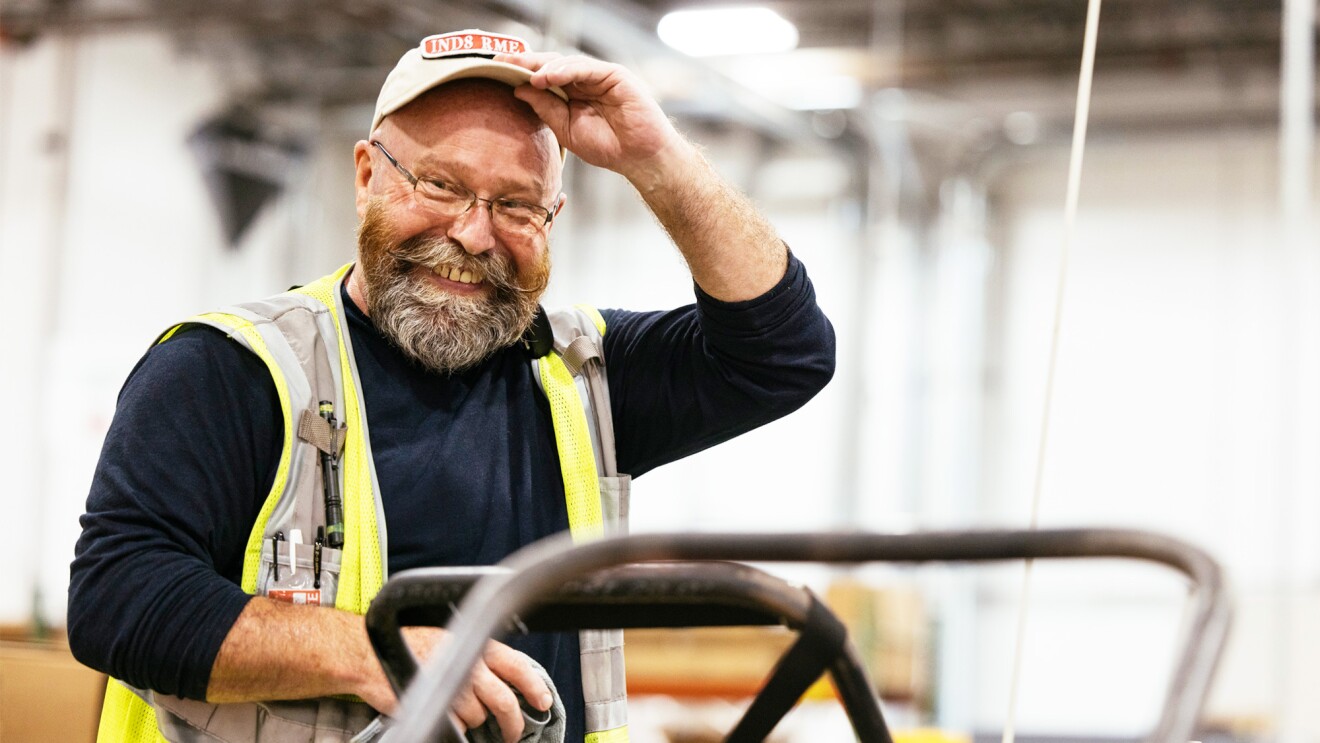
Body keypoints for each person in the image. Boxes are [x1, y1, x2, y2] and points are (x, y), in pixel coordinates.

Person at [68, 29, 836, 743]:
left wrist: (655, 156)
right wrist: (378, 651)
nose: (474, 234)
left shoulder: (583, 373)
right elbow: (118, 598)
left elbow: (784, 353)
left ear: (553, 216)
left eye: (516, 205)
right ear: (367, 175)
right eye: (439, 185)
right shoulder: (231, 369)